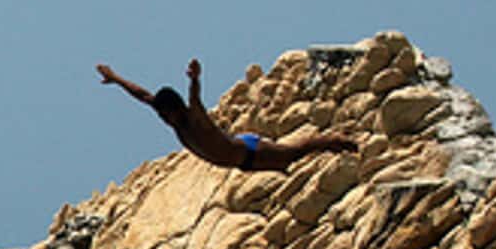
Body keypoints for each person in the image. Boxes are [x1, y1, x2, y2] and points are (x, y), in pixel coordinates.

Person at [96, 59, 356, 172]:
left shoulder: (194, 118)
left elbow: (195, 99)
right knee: (288, 168)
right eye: (162, 116)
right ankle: (336, 145)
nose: (165, 121)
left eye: (167, 116)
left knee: (294, 153)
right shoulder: (171, 117)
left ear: (177, 109)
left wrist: (195, 79)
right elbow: (142, 94)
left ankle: (342, 140)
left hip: (250, 151)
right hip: (241, 163)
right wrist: (115, 78)